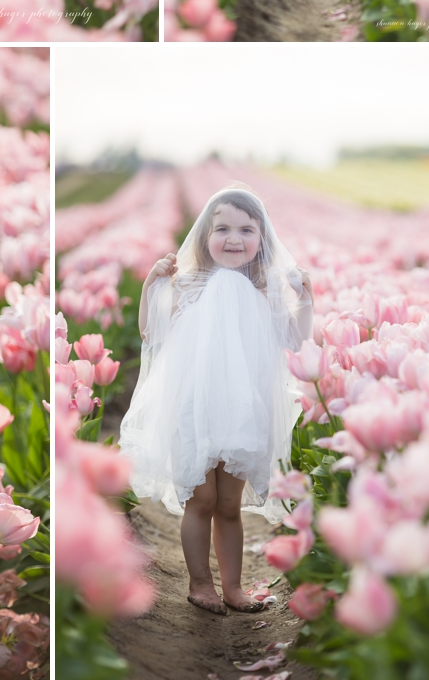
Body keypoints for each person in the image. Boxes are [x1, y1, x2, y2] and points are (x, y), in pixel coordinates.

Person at [118, 185, 314, 616]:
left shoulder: (266, 288)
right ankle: (199, 583)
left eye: (246, 229)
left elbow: (293, 339)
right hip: (193, 403)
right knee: (201, 500)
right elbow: (153, 332)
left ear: (262, 239)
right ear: (205, 236)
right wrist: (153, 282)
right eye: (222, 228)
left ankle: (234, 588)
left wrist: (305, 300)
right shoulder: (189, 284)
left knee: (229, 505)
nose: (233, 238)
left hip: (243, 409)